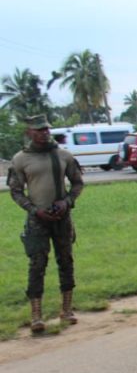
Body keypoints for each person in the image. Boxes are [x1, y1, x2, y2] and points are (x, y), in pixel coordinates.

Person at [7, 115, 85, 333]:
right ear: (29, 132)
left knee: (66, 261)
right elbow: (15, 191)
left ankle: (67, 309)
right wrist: (34, 210)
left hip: (61, 218)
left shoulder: (63, 155)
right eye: (39, 130)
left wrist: (67, 202)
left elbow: (78, 183)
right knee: (37, 264)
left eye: (46, 129)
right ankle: (36, 315)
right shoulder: (21, 159)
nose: (44, 133)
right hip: (37, 220)